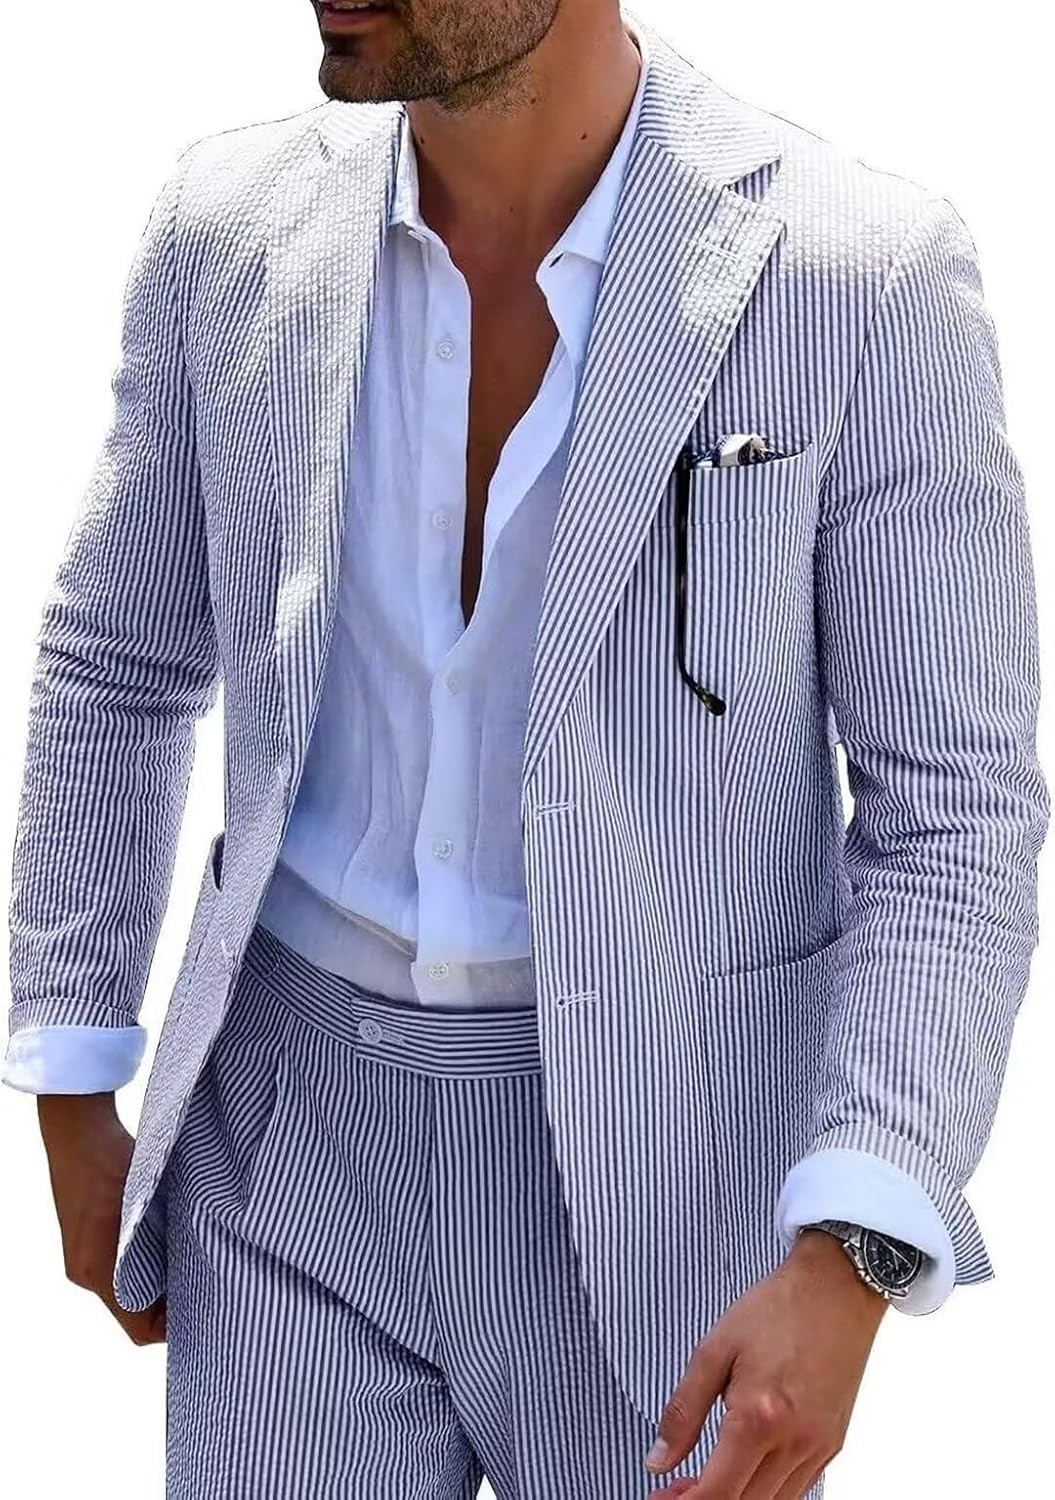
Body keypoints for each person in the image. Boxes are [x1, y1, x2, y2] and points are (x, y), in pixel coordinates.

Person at [5, 3, 1047, 1496]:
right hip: (283, 1144)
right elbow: (117, 658)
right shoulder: (225, 227)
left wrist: (854, 1247)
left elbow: (952, 813)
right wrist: (71, 1077)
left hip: (675, 1175)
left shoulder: (861, 275)